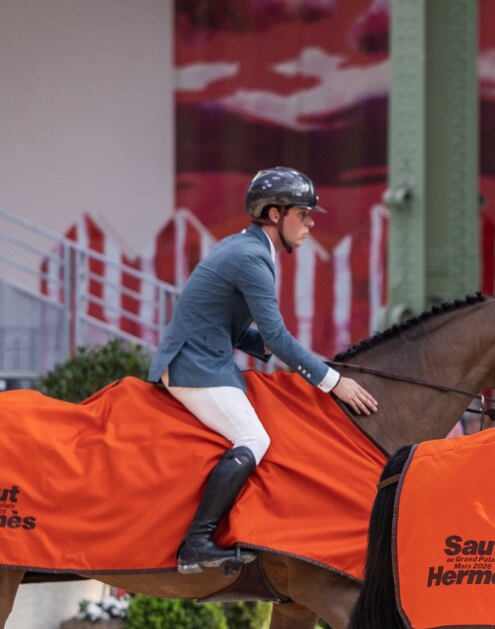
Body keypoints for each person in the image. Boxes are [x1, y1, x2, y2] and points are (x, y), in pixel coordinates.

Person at [147, 166, 378, 573]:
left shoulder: (247, 247)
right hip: (194, 364)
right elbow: (280, 335)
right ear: (275, 214)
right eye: (303, 214)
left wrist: (271, 348)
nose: (309, 224)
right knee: (253, 437)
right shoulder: (252, 257)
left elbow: (247, 331)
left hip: (208, 353)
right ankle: (196, 544)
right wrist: (334, 383)